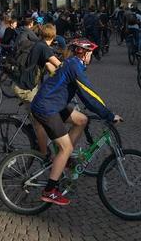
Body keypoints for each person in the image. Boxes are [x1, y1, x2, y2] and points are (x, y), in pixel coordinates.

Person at [30, 39, 123, 206]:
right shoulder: (74, 66)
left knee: (82, 120)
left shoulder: (74, 63)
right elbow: (88, 95)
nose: (92, 57)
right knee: (67, 148)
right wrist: (109, 115)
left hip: (54, 104)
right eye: (91, 54)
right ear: (84, 53)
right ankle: (50, 190)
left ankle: (63, 160)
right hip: (46, 108)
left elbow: (82, 93)